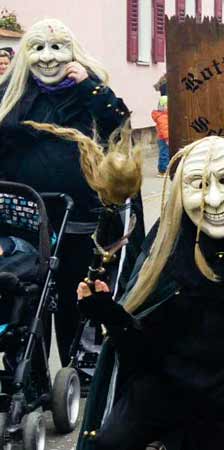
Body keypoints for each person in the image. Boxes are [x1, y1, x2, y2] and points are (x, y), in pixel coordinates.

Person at [75, 137, 224, 450]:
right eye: (198, 184)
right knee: (110, 443)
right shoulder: (165, 250)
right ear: (179, 191)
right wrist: (112, 316)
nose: (214, 199)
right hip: (169, 395)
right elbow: (145, 354)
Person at [0, 18, 142, 367]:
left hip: (79, 218)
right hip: (24, 219)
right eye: (38, 48)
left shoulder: (90, 92)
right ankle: (28, 374)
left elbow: (118, 129)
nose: (48, 57)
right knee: (26, 298)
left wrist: (90, 88)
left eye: (57, 47)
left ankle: (77, 367)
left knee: (73, 295)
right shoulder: (12, 94)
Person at [151, 95, 170, 176]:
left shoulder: (164, 116)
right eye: (167, 105)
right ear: (163, 106)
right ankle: (163, 170)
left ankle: (163, 169)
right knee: (165, 154)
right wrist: (167, 139)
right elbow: (164, 129)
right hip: (164, 138)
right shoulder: (163, 117)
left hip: (162, 138)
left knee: (164, 153)